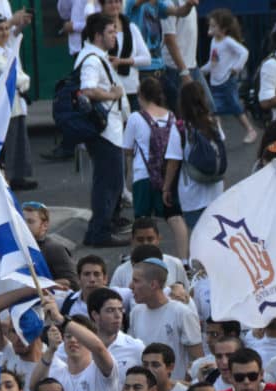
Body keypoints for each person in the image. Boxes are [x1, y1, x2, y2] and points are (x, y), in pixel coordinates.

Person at [77, 13, 130, 249]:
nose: (115, 36)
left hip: (111, 130)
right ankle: (99, 232)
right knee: (108, 183)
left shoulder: (98, 57)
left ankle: (102, 228)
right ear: (98, 36)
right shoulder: (91, 60)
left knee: (112, 181)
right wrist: (113, 95)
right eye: (110, 32)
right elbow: (87, 90)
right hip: (104, 131)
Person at [163, 80, 225, 229]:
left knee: (199, 236)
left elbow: (173, 162)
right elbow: (220, 150)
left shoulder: (180, 128)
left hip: (192, 193)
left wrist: (166, 188)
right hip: (216, 188)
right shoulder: (214, 123)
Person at [0, 15, 36, 191]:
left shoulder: (7, 50)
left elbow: (18, 73)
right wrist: (25, 81)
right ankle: (12, 177)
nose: (4, 32)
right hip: (6, 103)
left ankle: (19, 176)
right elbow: (10, 75)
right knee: (11, 140)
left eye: (7, 28)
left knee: (20, 139)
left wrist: (23, 80)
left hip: (17, 101)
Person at [123, 78, 179, 224]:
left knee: (142, 221)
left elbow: (127, 149)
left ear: (141, 95)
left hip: (143, 175)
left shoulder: (135, 118)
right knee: (172, 218)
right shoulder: (171, 116)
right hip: (167, 176)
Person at [200, 9, 254, 144]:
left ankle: (250, 130)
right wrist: (203, 70)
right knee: (214, 108)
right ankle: (218, 133)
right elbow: (214, 61)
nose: (210, 28)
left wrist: (237, 67)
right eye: (210, 25)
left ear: (223, 29)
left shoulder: (228, 41)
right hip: (215, 81)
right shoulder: (214, 41)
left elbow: (244, 52)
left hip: (227, 80)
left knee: (235, 106)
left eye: (213, 26)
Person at [21, 202, 77, 288]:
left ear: (45, 225)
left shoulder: (54, 249)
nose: (24, 225)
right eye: (21, 220)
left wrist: (35, 289)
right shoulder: (14, 247)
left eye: (30, 221)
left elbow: (72, 283)